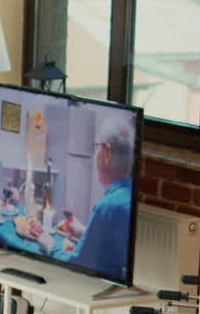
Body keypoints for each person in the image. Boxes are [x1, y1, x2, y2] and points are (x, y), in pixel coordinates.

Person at [23, 115, 135, 273]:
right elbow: (112, 247)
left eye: (96, 148)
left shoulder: (108, 207)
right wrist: (82, 230)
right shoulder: (130, 198)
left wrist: (47, 241)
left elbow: (75, 264)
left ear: (107, 153)